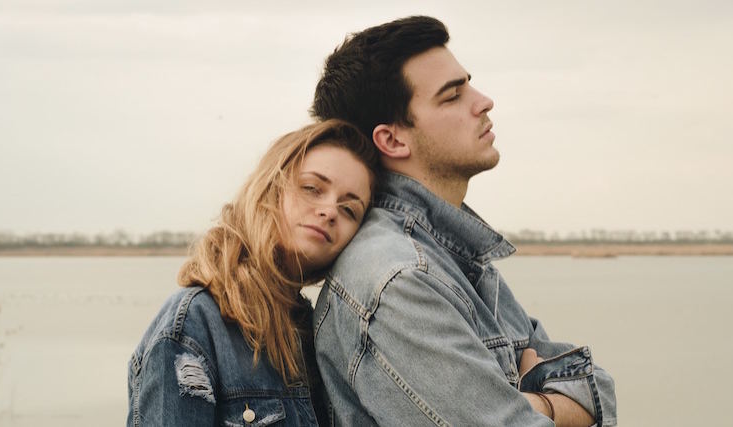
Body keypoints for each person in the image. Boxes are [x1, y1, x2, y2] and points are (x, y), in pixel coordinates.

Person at [310, 16, 618, 426]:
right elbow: (570, 399)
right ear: (393, 140)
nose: (484, 100)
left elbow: (594, 388)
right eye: (453, 96)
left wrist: (535, 403)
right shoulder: (398, 279)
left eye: (468, 84)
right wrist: (545, 404)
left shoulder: (454, 259)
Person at [126, 119, 380, 427]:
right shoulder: (194, 323)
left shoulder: (321, 335)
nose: (329, 211)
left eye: (349, 209)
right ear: (270, 188)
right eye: (312, 188)